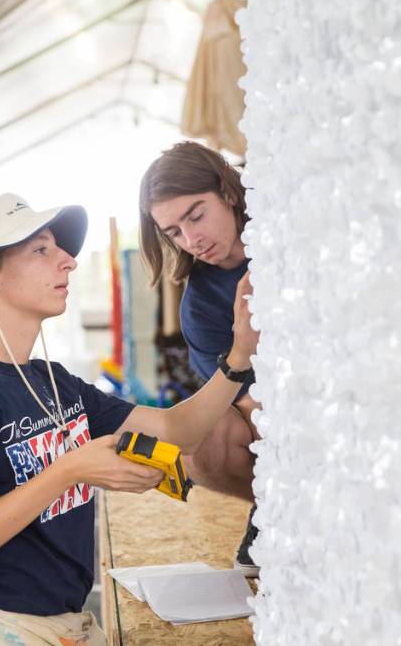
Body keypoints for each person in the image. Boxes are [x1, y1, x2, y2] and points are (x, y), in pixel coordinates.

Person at [0, 193, 258, 646]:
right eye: (41, 250)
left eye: (59, 249)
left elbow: (178, 431)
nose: (68, 262)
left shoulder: (54, 382)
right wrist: (71, 468)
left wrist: (238, 358)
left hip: (67, 624)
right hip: (1, 629)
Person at [138, 141, 261, 577]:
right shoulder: (200, 305)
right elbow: (241, 400)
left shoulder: (289, 231)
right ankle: (274, 507)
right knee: (199, 440)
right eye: (173, 232)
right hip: (278, 417)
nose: (192, 240)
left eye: (196, 215)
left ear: (228, 192)